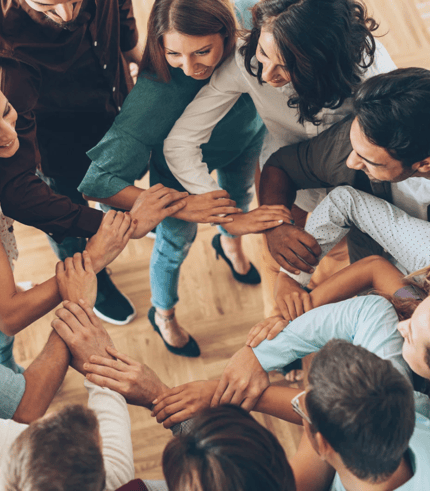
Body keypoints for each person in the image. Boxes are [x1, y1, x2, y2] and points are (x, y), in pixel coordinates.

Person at [79, 0, 291, 357]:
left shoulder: (253, 20)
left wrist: (234, 220)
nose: (190, 67)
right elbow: (99, 181)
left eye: (203, 52)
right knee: (174, 243)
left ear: (227, 29)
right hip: (176, 174)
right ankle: (163, 314)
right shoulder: (155, 94)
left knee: (238, 196)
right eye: (173, 52)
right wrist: (186, 204)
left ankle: (229, 245)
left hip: (246, 137)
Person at [162, 0, 396, 317]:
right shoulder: (247, 63)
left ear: (324, 62)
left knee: (339, 264)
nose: (267, 74)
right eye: (263, 54)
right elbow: (180, 141)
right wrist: (224, 210)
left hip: (353, 188)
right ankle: (279, 332)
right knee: (278, 261)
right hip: (280, 181)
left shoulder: (376, 78)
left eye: (286, 66)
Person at [0, 0, 189, 326]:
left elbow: (120, 11)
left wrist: (142, 62)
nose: (65, 15)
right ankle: (96, 282)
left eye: (73, 0)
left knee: (115, 185)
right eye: (47, 5)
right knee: (70, 229)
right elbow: (20, 193)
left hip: (113, 111)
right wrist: (111, 234)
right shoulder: (5, 42)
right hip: (55, 150)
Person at [259, 68, 430, 280]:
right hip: (374, 286)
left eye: (368, 161)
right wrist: (277, 227)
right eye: (353, 146)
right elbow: (282, 166)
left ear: (424, 164)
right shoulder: (364, 136)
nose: (351, 161)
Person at [0, 303, 136, 491]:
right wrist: (79, 304)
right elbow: (109, 394)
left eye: (40, 423)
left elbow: (24, 411)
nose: (46, 413)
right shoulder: (117, 478)